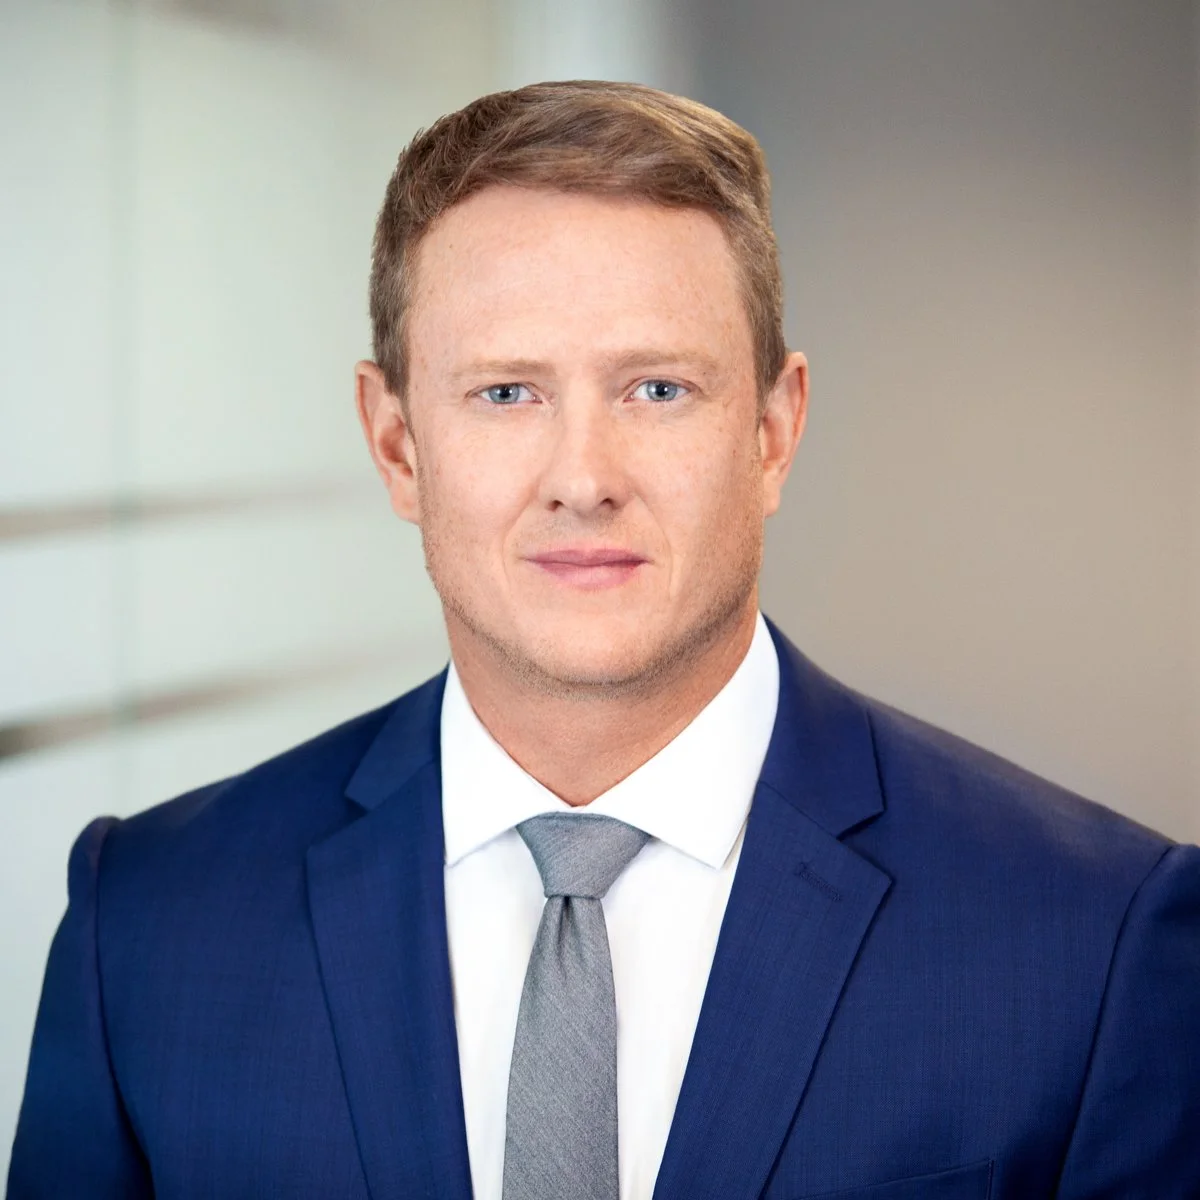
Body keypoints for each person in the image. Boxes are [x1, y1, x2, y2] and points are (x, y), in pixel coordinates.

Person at [8, 80, 1199, 1200]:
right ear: (397, 446)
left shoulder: (1095, 941)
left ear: (775, 432)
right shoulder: (152, 924)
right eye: (506, 393)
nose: (583, 479)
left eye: (658, 390)